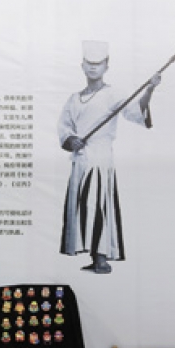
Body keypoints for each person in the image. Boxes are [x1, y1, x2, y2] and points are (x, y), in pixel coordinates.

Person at [58, 40, 162, 274]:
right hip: (79, 160)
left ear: (106, 66)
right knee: (82, 205)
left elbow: (135, 112)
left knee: (97, 203)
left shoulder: (113, 93)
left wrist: (149, 90)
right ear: (82, 66)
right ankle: (92, 255)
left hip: (100, 158)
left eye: (98, 63)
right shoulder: (74, 98)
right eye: (89, 63)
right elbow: (64, 127)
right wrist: (72, 139)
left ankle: (101, 258)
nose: (93, 67)